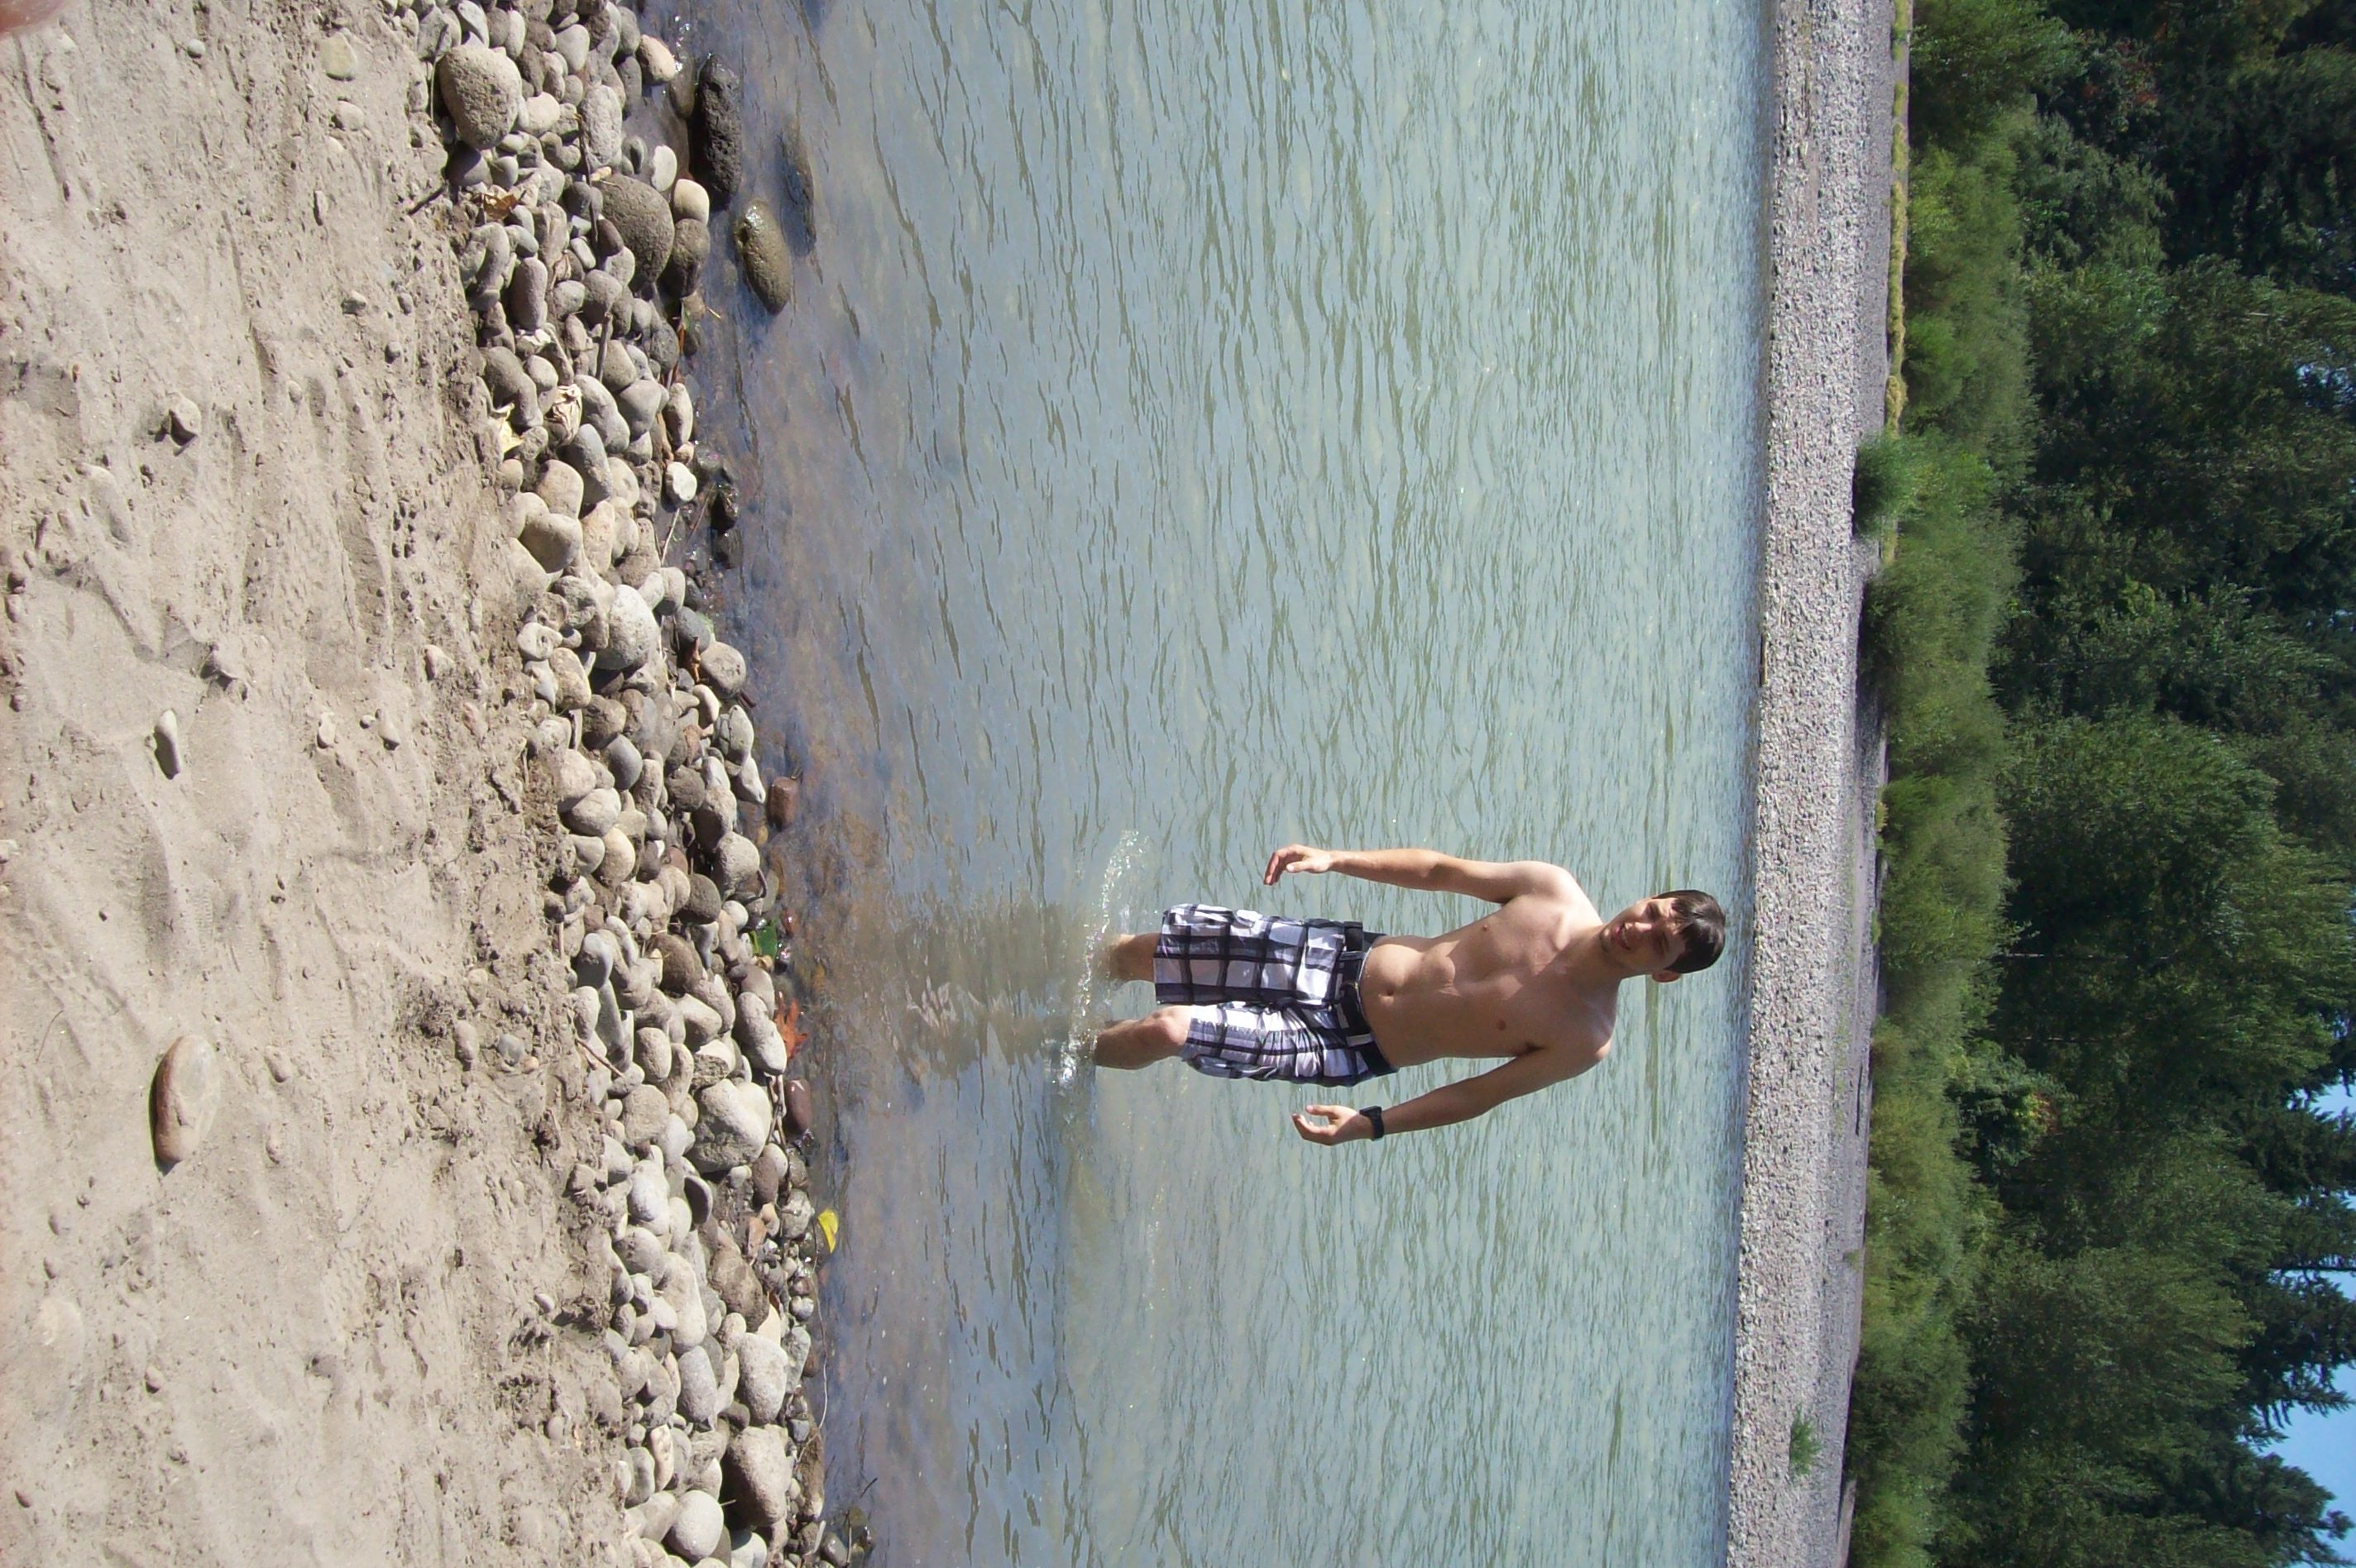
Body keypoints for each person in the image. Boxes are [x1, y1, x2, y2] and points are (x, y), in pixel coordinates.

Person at [1093, 844, 1725, 1145]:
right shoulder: (1553, 890)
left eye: (1658, 944)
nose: (1638, 929)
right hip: (1333, 958)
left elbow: (1478, 1095)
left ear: (1664, 975)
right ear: (1650, 896)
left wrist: (1372, 1124)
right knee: (1134, 956)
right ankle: (1057, 983)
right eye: (1653, 911)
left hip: (1343, 1046)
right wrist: (1336, 859)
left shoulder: (1586, 1038)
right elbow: (1439, 871)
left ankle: (1059, 1051)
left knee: (1169, 1030)